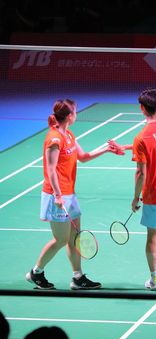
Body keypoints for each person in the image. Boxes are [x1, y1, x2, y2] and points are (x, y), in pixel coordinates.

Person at [26, 98, 122, 290]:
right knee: (61, 239)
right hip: (58, 196)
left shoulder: (68, 135)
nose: (77, 114)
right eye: (75, 112)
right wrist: (58, 195)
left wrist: (106, 150)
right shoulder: (54, 139)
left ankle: (78, 278)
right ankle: (36, 273)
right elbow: (51, 170)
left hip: (69, 194)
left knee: (74, 237)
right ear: (70, 116)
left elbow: (83, 157)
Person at [108, 88, 156, 291]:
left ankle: (154, 280)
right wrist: (127, 147)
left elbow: (141, 173)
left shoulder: (141, 137)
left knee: (153, 237)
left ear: (142, 108)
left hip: (155, 194)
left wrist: (135, 198)